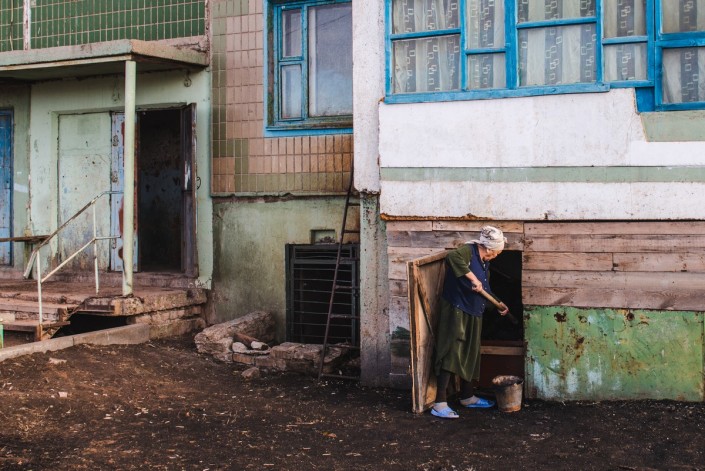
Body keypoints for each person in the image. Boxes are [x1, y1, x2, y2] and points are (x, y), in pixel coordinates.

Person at [431, 225, 510, 419]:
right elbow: (452, 258)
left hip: (474, 311)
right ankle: (439, 403)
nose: (498, 255)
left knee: (470, 353)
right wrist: (472, 278)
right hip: (457, 309)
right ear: (490, 248)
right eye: (498, 252)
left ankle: (467, 397)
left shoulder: (484, 262)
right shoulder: (469, 251)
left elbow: (485, 289)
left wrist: (498, 304)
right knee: (451, 351)